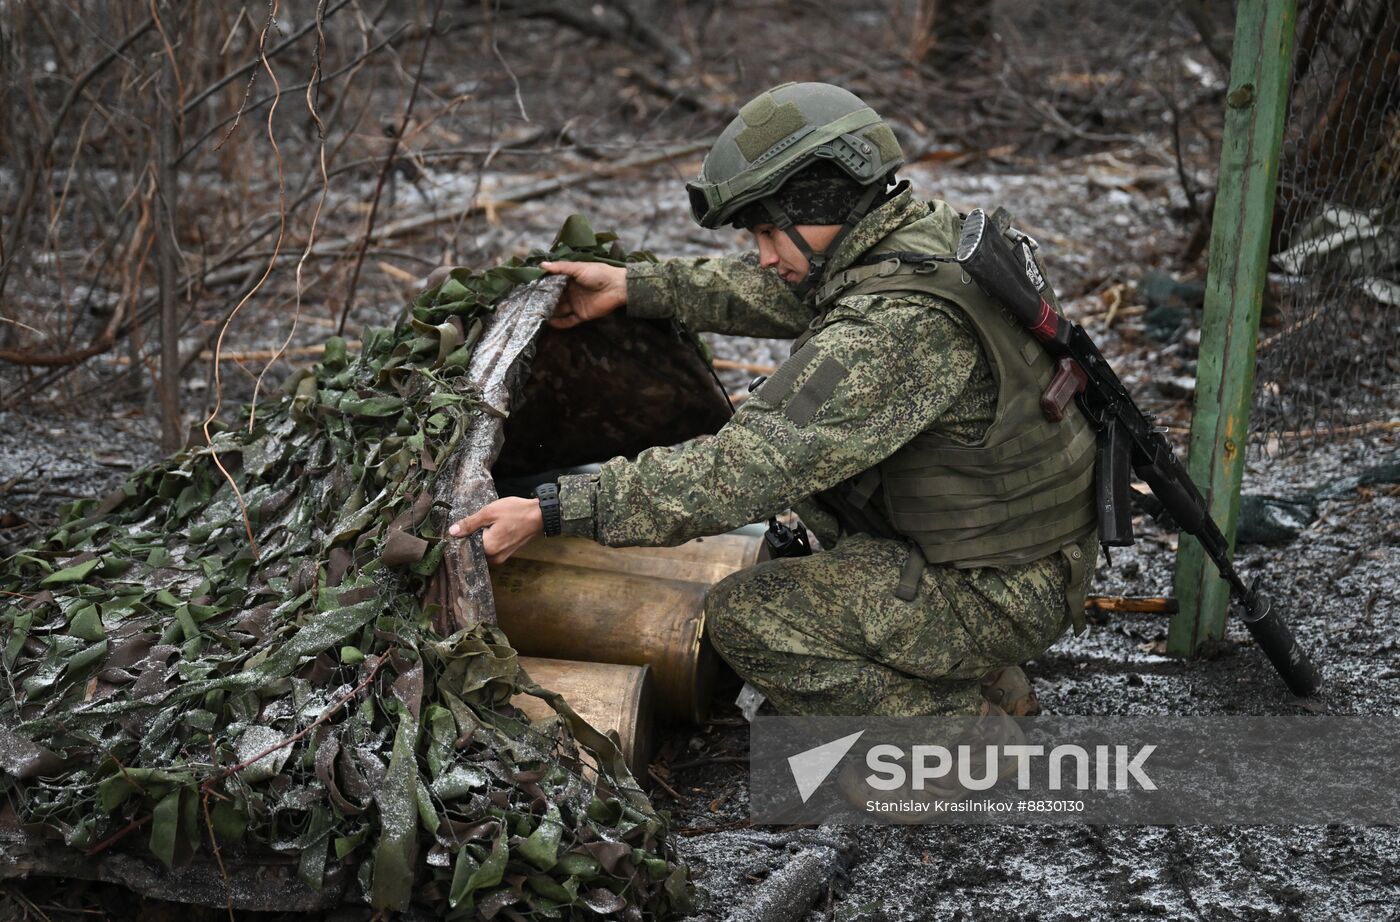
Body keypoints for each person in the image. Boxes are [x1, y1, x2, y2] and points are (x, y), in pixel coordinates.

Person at [449, 82, 1097, 720]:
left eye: (766, 232)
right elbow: (787, 291)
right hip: (1015, 553)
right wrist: (636, 286)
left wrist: (555, 509)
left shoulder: (895, 328)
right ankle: (988, 676)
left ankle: (969, 745)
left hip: (999, 588)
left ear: (821, 204)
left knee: (751, 618)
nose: (761, 257)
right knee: (833, 499)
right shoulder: (921, 238)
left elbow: (744, 471)